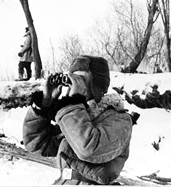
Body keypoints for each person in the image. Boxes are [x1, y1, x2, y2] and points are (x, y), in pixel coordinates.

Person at [23, 55, 134, 185]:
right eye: (73, 78)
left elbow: (88, 149)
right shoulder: (77, 116)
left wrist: (72, 103)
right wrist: (45, 102)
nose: (74, 83)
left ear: (96, 84)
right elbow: (35, 144)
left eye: (81, 79)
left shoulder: (120, 120)